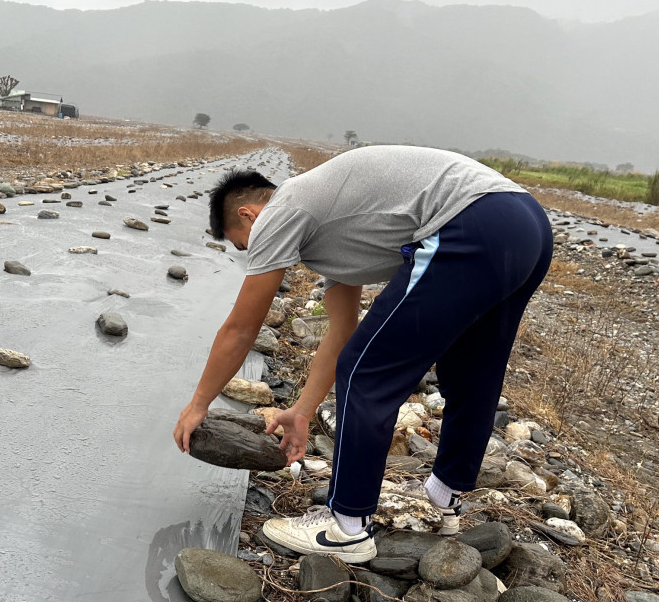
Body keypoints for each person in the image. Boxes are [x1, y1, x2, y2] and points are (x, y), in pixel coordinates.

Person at [172, 145, 553, 563]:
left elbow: (242, 327)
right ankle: (445, 496)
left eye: (244, 246)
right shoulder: (330, 226)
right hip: (526, 222)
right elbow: (342, 330)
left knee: (366, 370)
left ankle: (347, 526)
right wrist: (301, 411)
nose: (254, 253)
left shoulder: (283, 210)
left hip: (472, 218)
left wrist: (198, 404)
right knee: (472, 371)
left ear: (248, 215)